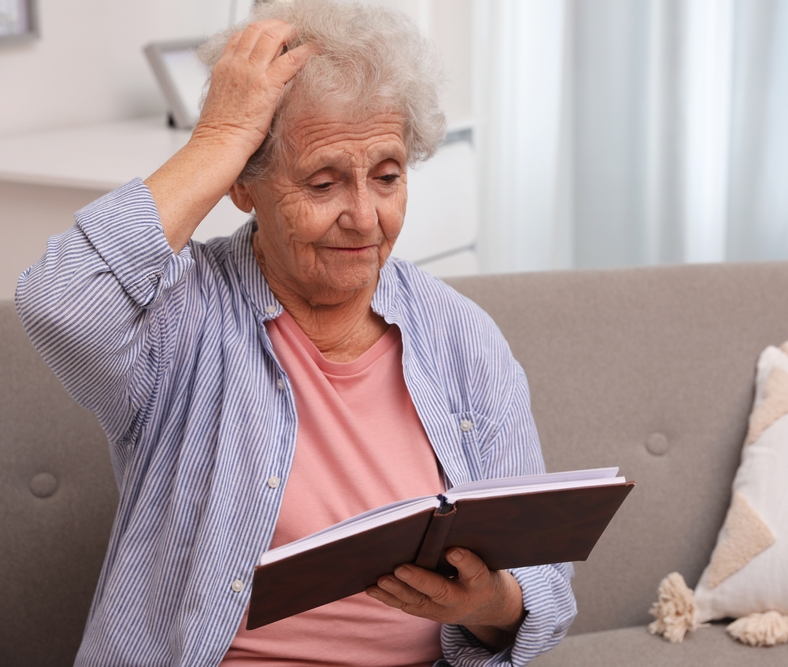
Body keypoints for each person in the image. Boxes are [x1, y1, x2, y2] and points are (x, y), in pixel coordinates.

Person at [15, 1, 575, 665]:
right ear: (244, 185)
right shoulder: (181, 319)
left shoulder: (463, 340)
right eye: (323, 181)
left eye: (388, 176)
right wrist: (219, 137)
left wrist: (488, 603)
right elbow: (59, 300)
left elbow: (546, 585)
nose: (365, 217)